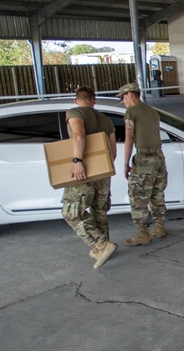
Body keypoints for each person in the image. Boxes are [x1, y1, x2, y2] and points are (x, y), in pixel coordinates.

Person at [62, 86, 117, 269]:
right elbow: (112, 151)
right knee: (99, 211)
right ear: (94, 100)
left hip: (83, 172)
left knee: (71, 212)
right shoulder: (106, 120)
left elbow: (78, 134)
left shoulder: (74, 112)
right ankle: (104, 248)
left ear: (75, 100)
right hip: (103, 172)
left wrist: (78, 161)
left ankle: (102, 246)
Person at [119, 82, 168, 246]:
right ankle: (160, 228)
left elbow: (128, 139)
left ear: (131, 94)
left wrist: (126, 163)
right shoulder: (152, 111)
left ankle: (143, 234)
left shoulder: (131, 112)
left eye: (123, 97)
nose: (122, 101)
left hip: (144, 158)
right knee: (157, 194)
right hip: (159, 157)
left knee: (138, 196)